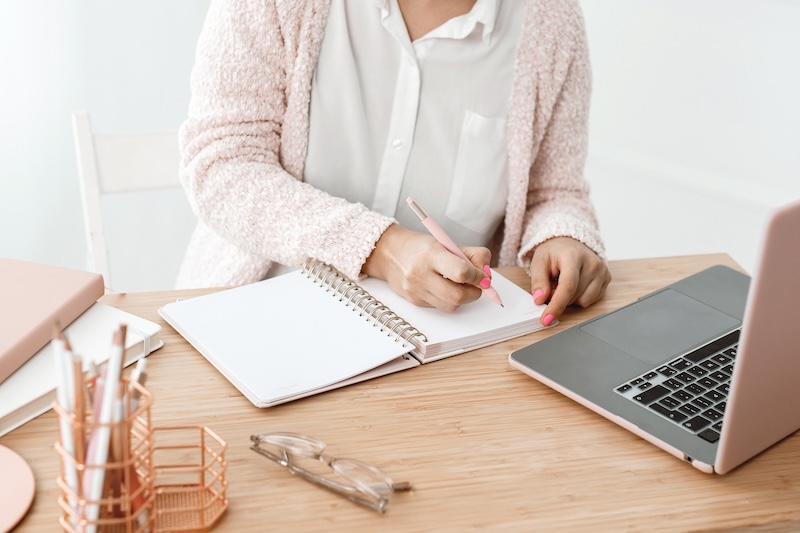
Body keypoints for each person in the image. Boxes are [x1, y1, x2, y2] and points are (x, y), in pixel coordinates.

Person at [176, 0, 611, 326]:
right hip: (259, 314)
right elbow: (222, 162)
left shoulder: (550, 23)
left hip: (442, 350)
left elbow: (554, 193)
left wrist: (562, 238)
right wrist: (382, 248)